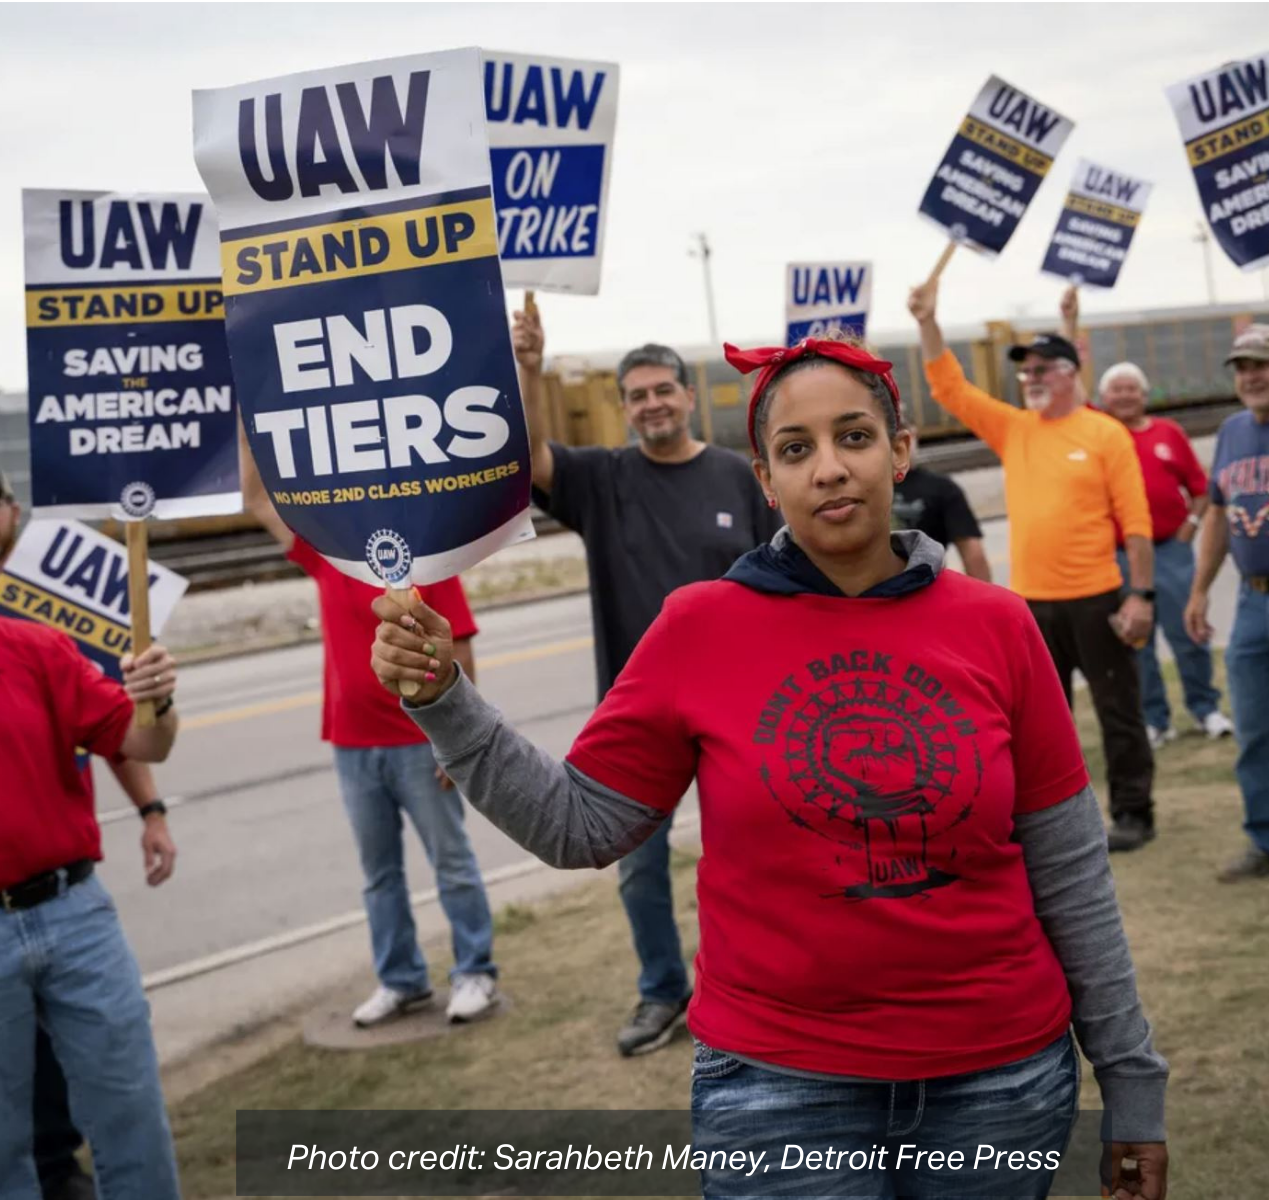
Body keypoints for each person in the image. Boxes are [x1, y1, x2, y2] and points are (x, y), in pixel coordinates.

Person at [370, 333, 1169, 1200]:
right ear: (764, 479)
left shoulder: (998, 626)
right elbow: (577, 825)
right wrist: (444, 694)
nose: (828, 468)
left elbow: (1071, 875)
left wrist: (1132, 1091)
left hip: (999, 1084)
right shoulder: (698, 627)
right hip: (779, 1087)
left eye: (854, 437)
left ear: (900, 453)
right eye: (796, 449)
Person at [513, 305, 781, 1057]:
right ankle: (663, 993)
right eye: (636, 395)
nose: (651, 404)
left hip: (741, 711)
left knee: (758, 858)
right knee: (640, 870)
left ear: (688, 396)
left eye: (663, 389)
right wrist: (530, 366)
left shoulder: (737, 475)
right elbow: (530, 458)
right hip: (642, 720)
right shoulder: (603, 479)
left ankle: (763, 988)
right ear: (623, 407)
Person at [238, 426, 499, 1026]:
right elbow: (256, 500)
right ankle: (401, 979)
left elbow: (459, 646)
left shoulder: (426, 565)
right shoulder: (329, 559)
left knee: (451, 863)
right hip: (352, 745)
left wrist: (456, 739)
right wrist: (250, 416)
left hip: (420, 741)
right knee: (379, 876)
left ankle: (476, 972)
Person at [909, 278, 1159, 853]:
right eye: (1026, 370)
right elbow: (948, 386)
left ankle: (1134, 813)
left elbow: (1137, 523)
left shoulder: (1104, 434)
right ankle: (1051, 826)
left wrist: (1140, 595)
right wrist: (927, 321)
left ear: (1072, 373)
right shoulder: (1015, 428)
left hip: (1098, 598)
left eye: (1044, 368)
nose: (1032, 377)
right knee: (1038, 727)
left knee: (1118, 712)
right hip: (1032, 606)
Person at [0, 472, 184, 1199]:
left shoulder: (37, 648)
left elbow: (145, 743)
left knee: (132, 1118)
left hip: (74, 915)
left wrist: (158, 699)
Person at [1063, 288, 1233, 748]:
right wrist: (1071, 327)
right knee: (1136, 641)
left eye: (1132, 388)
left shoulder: (1169, 433)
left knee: (1189, 631)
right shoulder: (1098, 431)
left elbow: (1201, 490)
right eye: (1116, 389)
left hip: (1170, 551)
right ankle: (1156, 719)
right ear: (1103, 397)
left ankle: (1206, 708)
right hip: (1118, 556)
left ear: (1144, 393)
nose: (1124, 395)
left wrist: (1191, 528)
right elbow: (1069, 385)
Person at [34, 758, 176, 1200]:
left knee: (124, 1101)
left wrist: (151, 809)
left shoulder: (56, 684)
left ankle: (56, 1170)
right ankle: (51, 1170)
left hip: (63, 896)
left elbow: (120, 728)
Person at [1185, 323, 1269, 883]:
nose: (1250, 376)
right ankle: (1263, 841)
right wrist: (1197, 590)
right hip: (1252, 600)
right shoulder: (1233, 432)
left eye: (1259, 364)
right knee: (1255, 728)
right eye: (1241, 368)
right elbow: (1216, 512)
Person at [891, 423, 992, 581]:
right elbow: (973, 553)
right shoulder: (942, 487)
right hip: (927, 588)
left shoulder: (864, 487)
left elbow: (972, 553)